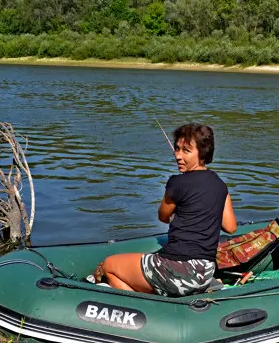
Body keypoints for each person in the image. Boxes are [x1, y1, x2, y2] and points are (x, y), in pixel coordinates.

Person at [93, 123, 237, 296]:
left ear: (203, 153)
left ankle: (143, 306)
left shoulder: (177, 183)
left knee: (109, 265)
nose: (178, 155)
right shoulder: (221, 185)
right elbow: (230, 227)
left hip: (179, 271)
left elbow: (163, 216)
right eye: (177, 149)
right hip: (204, 274)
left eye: (186, 151)